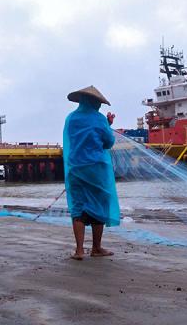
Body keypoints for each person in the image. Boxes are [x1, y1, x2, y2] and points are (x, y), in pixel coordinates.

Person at [63, 85, 120, 260]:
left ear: (81, 100)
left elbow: (72, 141)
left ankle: (79, 250)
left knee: (78, 206)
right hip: (97, 167)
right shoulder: (99, 118)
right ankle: (96, 248)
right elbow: (108, 142)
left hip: (76, 167)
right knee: (99, 204)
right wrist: (108, 125)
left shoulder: (71, 119)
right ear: (95, 102)